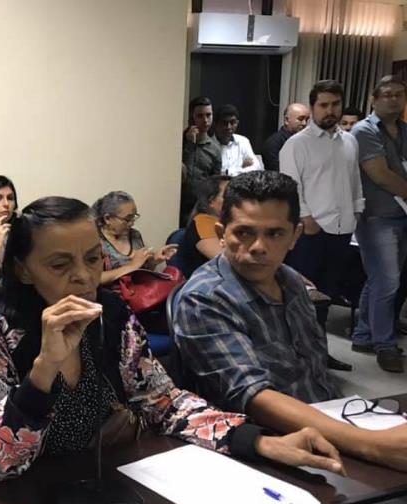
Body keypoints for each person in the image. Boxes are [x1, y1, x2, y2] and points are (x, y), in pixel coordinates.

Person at [0, 196, 345, 481]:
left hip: (100, 476)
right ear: (23, 271)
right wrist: (45, 368)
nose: (83, 276)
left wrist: (257, 441)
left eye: (93, 259)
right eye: (60, 265)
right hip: (22, 496)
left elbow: (164, 401)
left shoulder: (109, 313)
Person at [174, 171, 407, 473]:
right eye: (244, 233)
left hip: (332, 421)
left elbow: (315, 373)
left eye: (275, 234)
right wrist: (371, 444)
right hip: (267, 448)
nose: (258, 246)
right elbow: (254, 397)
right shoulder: (205, 298)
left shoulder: (292, 281)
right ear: (221, 233)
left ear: (295, 236)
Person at [280, 80, 362, 372]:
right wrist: (306, 219)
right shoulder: (296, 144)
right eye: (323, 105)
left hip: (342, 228)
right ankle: (297, 358)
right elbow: (291, 187)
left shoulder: (350, 141)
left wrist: (357, 211)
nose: (330, 110)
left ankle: (320, 354)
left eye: (335, 104)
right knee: (304, 298)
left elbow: (354, 181)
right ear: (313, 107)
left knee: (328, 294)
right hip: (311, 231)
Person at [351, 76, 407, 373]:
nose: (394, 99)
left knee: (380, 280)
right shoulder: (364, 130)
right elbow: (380, 175)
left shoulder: (404, 130)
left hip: (402, 214)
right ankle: (385, 344)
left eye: (399, 94)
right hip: (377, 216)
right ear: (374, 99)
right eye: (387, 94)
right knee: (388, 282)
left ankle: (363, 334)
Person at [93, 191, 178, 289]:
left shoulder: (134, 235)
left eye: (133, 217)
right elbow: (94, 279)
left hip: (139, 292)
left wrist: (154, 260)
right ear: (107, 218)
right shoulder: (94, 240)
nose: (132, 223)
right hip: (112, 295)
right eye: (127, 219)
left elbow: (142, 271)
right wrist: (131, 266)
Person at [181, 96, 222, 226]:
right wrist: (189, 143)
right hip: (177, 202)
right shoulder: (179, 141)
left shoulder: (215, 148)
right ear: (192, 117)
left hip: (200, 207)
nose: (205, 120)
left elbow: (215, 183)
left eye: (208, 115)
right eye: (200, 116)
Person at [179, 176, 230, 278]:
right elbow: (226, 260)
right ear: (211, 201)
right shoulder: (203, 222)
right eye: (228, 195)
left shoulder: (229, 223)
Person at [213, 105, 263, 176]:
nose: (229, 127)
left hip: (242, 183)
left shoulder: (243, 141)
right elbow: (215, 175)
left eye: (232, 122)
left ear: (237, 123)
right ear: (215, 124)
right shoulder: (210, 146)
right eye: (224, 123)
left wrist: (229, 172)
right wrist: (241, 167)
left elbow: (257, 167)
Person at [261, 103, 310, 171]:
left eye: (306, 119)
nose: (304, 123)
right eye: (300, 119)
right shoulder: (273, 144)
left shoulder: (306, 141)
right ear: (286, 120)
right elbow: (278, 172)